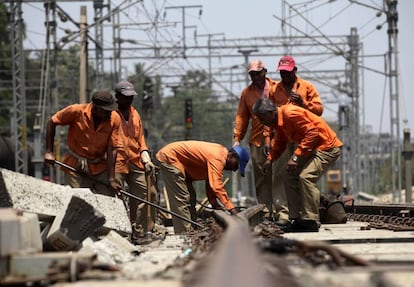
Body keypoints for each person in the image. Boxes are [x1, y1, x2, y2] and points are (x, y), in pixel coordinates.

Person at [252, 98, 342, 232]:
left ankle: (311, 220)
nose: (261, 121)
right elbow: (281, 142)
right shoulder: (278, 122)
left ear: (270, 112)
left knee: (306, 177)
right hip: (312, 148)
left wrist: (295, 156)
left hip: (327, 147)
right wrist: (270, 159)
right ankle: (296, 218)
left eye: (261, 117)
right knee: (289, 177)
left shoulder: (290, 113)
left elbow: (313, 133)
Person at [269, 55, 324, 228]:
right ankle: (284, 213)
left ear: (295, 70)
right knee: (280, 174)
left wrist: (304, 103)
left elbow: (319, 110)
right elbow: (267, 115)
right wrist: (267, 137)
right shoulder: (274, 90)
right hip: (283, 137)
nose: (284, 75)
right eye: (282, 72)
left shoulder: (307, 87)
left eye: (287, 71)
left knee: (303, 176)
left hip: (304, 138)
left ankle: (308, 215)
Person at [232, 59, 289, 224]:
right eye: (252, 74)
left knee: (279, 175)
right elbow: (242, 117)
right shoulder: (246, 93)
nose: (255, 77)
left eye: (257, 73)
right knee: (262, 178)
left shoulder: (277, 88)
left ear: (264, 72)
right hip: (257, 141)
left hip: (279, 137)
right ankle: (265, 211)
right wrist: (237, 138)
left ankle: (282, 212)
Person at [156, 140, 249, 234]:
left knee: (191, 197)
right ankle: (184, 234)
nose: (234, 170)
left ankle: (191, 228)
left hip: (179, 162)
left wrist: (214, 203)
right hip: (171, 158)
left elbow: (211, 183)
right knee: (182, 198)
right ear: (232, 156)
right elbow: (216, 186)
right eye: (236, 165)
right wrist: (231, 208)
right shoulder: (218, 157)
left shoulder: (220, 155)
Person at [44, 90, 123, 196]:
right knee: (77, 201)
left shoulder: (114, 119)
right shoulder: (76, 111)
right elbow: (52, 122)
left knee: (108, 200)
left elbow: (112, 149)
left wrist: (111, 179)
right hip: (76, 166)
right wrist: (49, 152)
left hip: (99, 166)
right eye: (106, 111)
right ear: (96, 108)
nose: (109, 113)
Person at [113, 80, 157, 236]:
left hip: (135, 160)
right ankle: (120, 231)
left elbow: (140, 139)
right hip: (117, 162)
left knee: (145, 194)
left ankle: (139, 230)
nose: (129, 99)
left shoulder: (135, 114)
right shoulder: (111, 114)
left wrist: (145, 156)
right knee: (117, 196)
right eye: (126, 97)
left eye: (131, 96)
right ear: (117, 97)